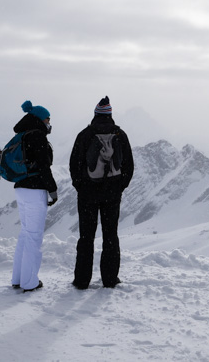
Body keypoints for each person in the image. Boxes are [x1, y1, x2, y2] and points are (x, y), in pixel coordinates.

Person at [70, 96, 133, 289]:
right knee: (110, 235)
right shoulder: (120, 135)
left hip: (88, 194)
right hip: (112, 195)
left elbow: (74, 165)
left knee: (86, 237)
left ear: (95, 114)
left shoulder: (85, 135)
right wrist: (119, 186)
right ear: (111, 115)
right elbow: (128, 166)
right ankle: (110, 279)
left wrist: (82, 186)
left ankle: (82, 281)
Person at [10, 100, 59, 293]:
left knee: (25, 234)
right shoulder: (37, 136)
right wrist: (52, 189)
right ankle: (29, 282)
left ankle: (18, 278)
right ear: (40, 119)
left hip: (20, 188)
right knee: (33, 237)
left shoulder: (23, 135)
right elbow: (43, 166)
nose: (49, 122)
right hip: (34, 190)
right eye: (47, 118)